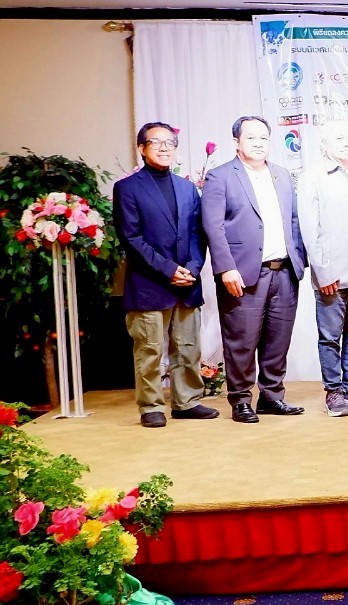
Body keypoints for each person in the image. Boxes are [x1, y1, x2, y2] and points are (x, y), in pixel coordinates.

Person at [202, 115, 308, 423]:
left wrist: (299, 261)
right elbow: (213, 226)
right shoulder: (220, 177)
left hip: (284, 272)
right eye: (251, 138)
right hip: (243, 273)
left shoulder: (281, 175)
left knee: (278, 340)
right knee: (242, 341)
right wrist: (226, 268)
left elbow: (293, 221)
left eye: (263, 138)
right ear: (236, 142)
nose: (259, 143)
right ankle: (240, 400)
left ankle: (272, 397)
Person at [113, 122, 218, 427]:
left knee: (188, 347)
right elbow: (131, 238)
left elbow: (198, 233)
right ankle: (150, 407)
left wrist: (193, 268)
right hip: (149, 283)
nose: (163, 147)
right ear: (141, 148)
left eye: (169, 143)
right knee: (149, 349)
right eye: (155, 142)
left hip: (186, 283)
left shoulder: (187, 188)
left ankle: (187, 402)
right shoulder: (127, 188)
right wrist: (169, 269)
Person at [297, 118, 348, 417]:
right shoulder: (313, 177)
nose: (347, 143)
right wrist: (322, 272)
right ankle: (333, 392)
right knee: (330, 336)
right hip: (333, 271)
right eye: (339, 138)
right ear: (325, 145)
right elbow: (310, 229)